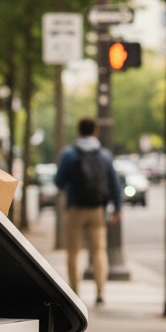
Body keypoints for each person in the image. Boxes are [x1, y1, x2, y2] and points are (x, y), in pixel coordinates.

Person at [54, 117, 122, 306]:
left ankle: (75, 292)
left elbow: (58, 181)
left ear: (79, 131)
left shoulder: (69, 154)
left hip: (75, 208)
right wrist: (117, 207)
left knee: (74, 252)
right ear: (95, 131)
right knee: (99, 251)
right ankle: (100, 292)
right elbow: (115, 184)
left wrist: (70, 189)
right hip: (97, 209)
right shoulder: (105, 155)